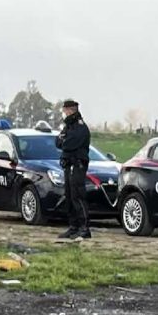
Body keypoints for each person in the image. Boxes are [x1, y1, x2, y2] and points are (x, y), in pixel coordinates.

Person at [56, 99, 91, 239]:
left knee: (78, 196)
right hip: (68, 165)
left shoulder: (80, 127)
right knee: (69, 197)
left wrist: (64, 140)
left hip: (77, 165)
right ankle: (73, 226)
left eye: (65, 111)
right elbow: (58, 142)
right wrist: (64, 140)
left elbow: (69, 144)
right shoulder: (68, 127)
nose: (64, 114)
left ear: (71, 110)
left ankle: (84, 227)